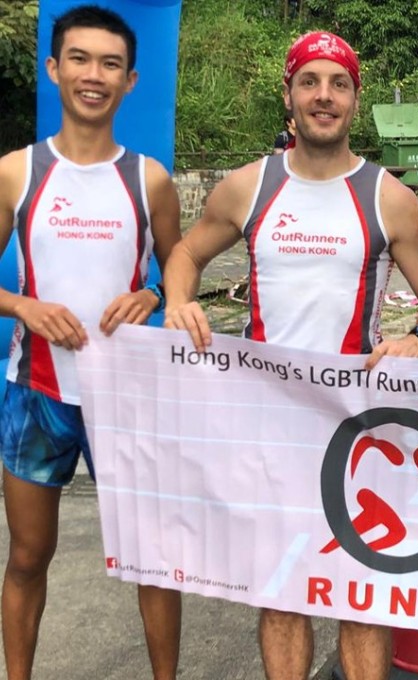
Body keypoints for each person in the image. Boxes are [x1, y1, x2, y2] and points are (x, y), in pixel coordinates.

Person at [162, 30, 418, 680]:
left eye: (339, 83)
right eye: (310, 82)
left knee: (361, 598)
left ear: (355, 98)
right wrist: (180, 300)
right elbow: (185, 254)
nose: (324, 96)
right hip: (268, 426)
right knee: (283, 590)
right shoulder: (248, 187)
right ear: (288, 96)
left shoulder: (389, 198)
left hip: (358, 426)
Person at [0, 6, 183, 680]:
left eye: (110, 64)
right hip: (38, 393)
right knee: (26, 556)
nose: (93, 75)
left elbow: (180, 274)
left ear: (131, 80)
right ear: (54, 69)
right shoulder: (16, 172)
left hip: (127, 397)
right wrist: (22, 305)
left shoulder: (150, 180)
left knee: (152, 556)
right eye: (79, 59)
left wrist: (155, 295)